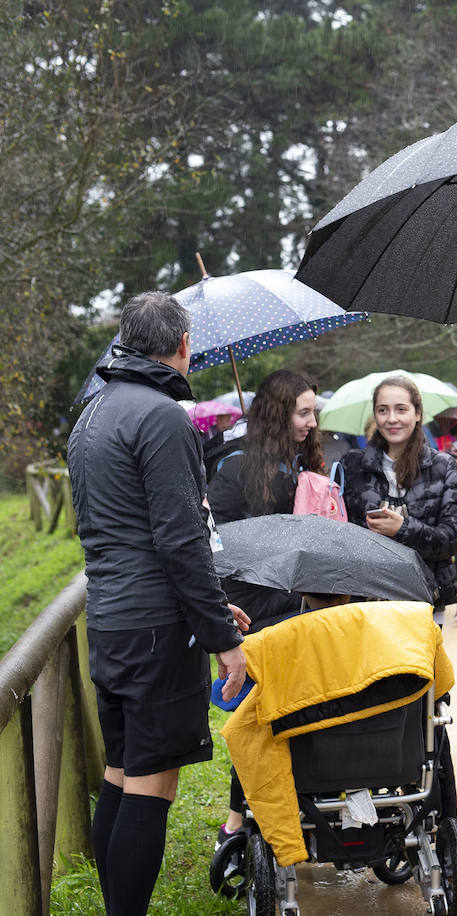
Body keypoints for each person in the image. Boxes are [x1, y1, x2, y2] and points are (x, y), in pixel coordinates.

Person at [67, 291, 249, 916]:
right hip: (154, 629)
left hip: (112, 622)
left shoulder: (92, 413)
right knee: (151, 785)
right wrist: (223, 639)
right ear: (181, 348)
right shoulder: (164, 417)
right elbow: (179, 541)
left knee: (121, 774)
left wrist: (218, 611)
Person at [207, 369, 323, 844]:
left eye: (314, 411)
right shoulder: (234, 471)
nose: (313, 421)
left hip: (295, 606)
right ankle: (237, 823)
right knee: (261, 720)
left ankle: (286, 808)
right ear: (279, 415)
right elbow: (217, 548)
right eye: (303, 411)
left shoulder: (297, 464)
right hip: (255, 610)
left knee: (290, 715)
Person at [340, 375, 457, 627]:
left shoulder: (441, 466)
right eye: (383, 410)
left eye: (401, 409)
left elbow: (453, 539)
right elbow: (342, 534)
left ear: (418, 414)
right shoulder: (353, 465)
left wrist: (403, 529)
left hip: (424, 602)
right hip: (368, 603)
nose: (392, 419)